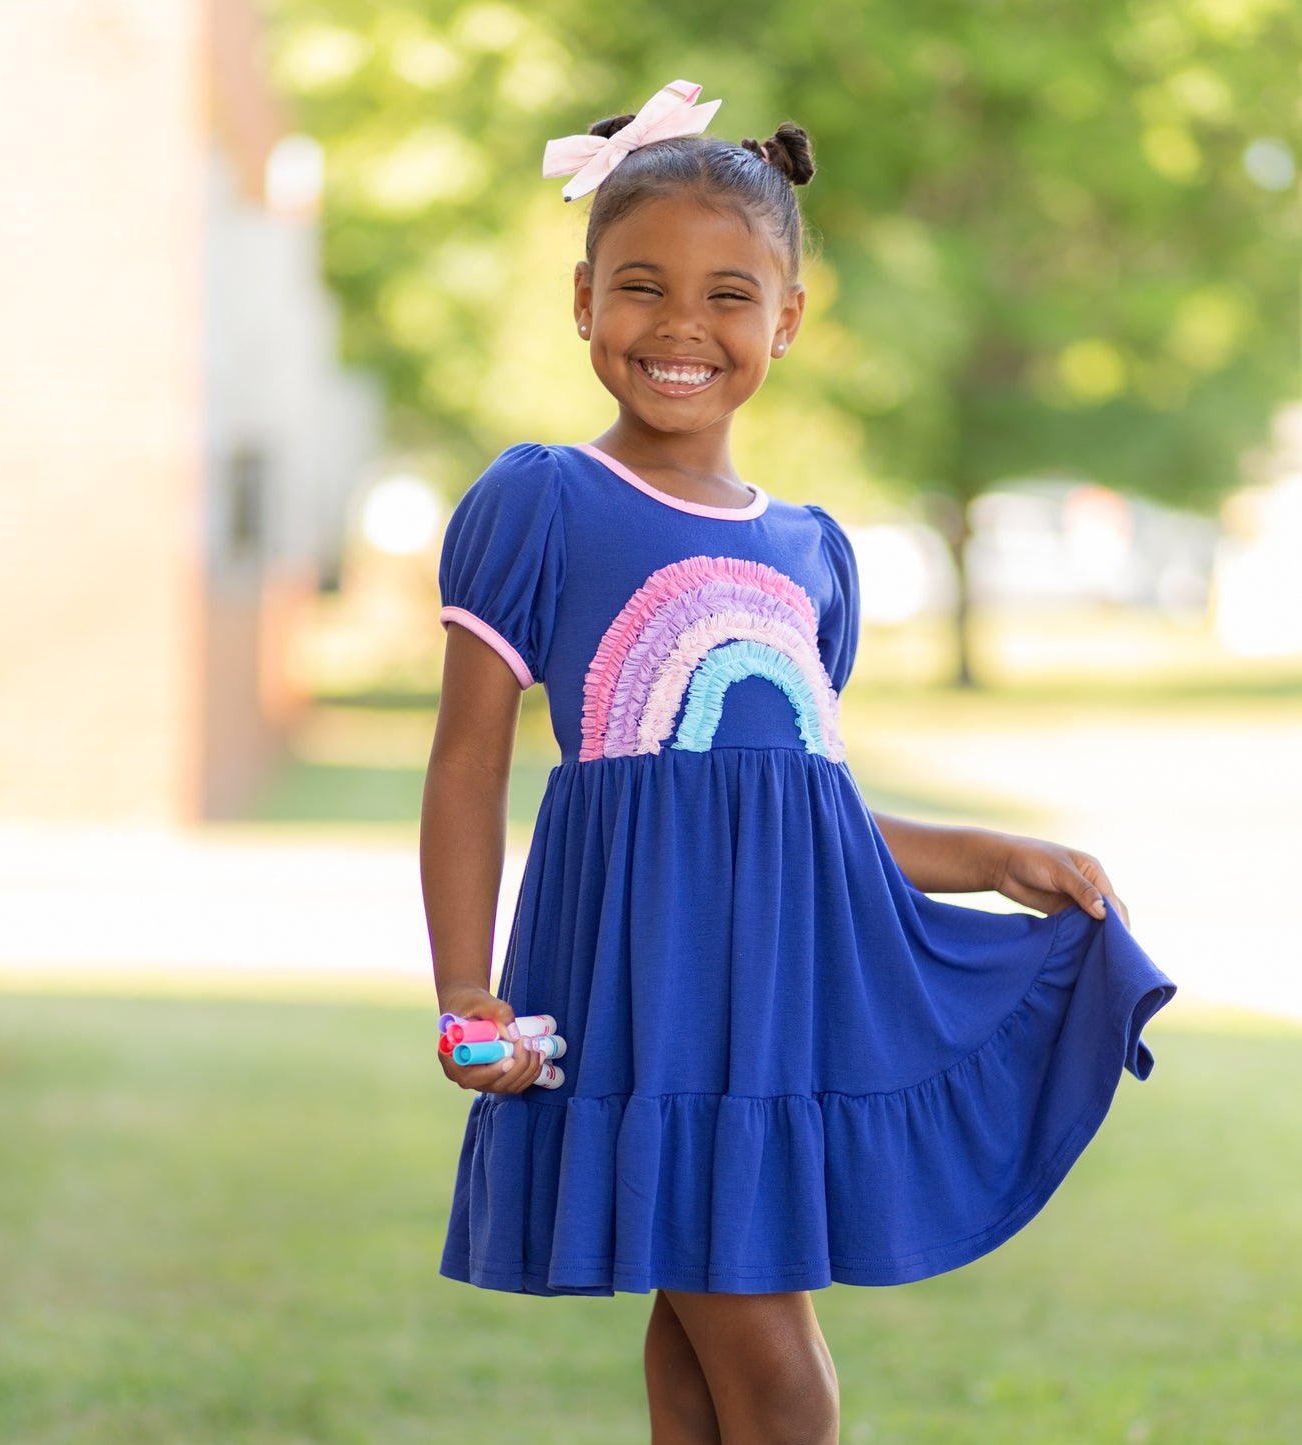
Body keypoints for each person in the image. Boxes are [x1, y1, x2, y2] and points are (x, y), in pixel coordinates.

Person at [420, 80, 1175, 1445]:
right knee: (774, 1370)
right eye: (641, 286)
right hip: (646, 996)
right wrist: (466, 991)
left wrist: (990, 855)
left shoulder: (811, 553)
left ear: (787, 321)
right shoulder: (540, 501)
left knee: (701, 1349)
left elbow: (792, 808)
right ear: (581, 300)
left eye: (727, 295)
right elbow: (468, 764)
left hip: (770, 1009)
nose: (680, 327)